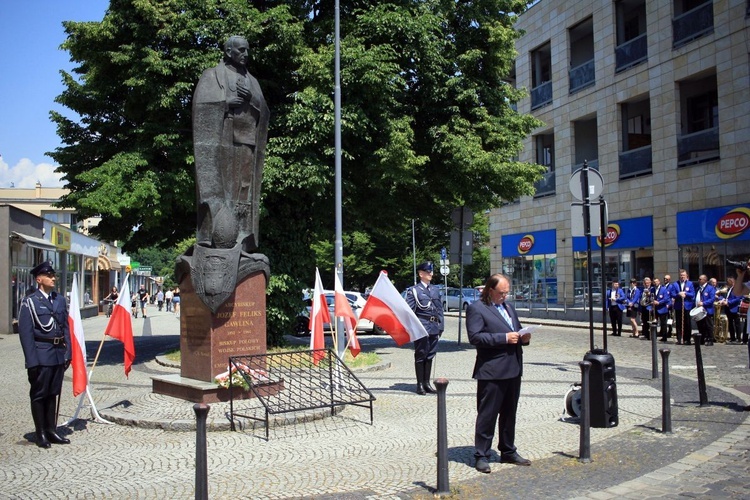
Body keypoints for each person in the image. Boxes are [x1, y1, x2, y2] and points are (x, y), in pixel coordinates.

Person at [192, 35, 270, 254]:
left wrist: (251, 100)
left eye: (247, 50)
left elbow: (264, 111)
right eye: (241, 51)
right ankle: (214, 235)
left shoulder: (252, 81)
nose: (246, 55)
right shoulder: (212, 75)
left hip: (246, 143)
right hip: (221, 142)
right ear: (228, 52)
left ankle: (242, 236)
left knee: (243, 190)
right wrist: (225, 104)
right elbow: (200, 108)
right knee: (221, 188)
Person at [466, 273, 531, 473]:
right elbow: (475, 337)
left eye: (507, 293)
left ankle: (508, 450)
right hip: (492, 371)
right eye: (501, 293)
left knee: (509, 413)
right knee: (487, 415)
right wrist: (503, 338)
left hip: (513, 368)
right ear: (490, 290)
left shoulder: (508, 307)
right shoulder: (477, 308)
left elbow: (516, 331)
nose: (505, 296)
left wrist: (524, 337)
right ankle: (482, 455)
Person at [18, 261, 71, 448]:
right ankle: (40, 432)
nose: (53, 278)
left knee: (52, 393)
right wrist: (32, 362)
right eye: (49, 276)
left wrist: (68, 353)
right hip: (41, 354)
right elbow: (26, 334)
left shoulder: (60, 300)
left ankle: (51, 430)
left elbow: (65, 327)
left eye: (54, 275)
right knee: (39, 394)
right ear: (39, 279)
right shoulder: (30, 302)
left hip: (57, 354)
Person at [404, 262, 444, 395]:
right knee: (421, 355)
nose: (431, 274)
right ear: (421, 274)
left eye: (431, 272)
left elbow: (439, 309)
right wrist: (413, 327)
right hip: (421, 326)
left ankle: (427, 383)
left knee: (430, 354)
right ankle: (419, 384)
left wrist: (441, 326)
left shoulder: (435, 289)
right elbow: (409, 311)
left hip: (433, 326)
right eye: (428, 272)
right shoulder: (414, 290)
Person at [671, 269, 695, 345]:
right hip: (678, 306)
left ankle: (687, 339)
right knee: (678, 323)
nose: (682, 277)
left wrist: (685, 293)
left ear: (686, 276)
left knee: (687, 323)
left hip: (687, 306)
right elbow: (672, 294)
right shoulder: (675, 284)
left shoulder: (690, 284)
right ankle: (679, 339)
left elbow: (692, 294)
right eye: (681, 275)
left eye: (683, 275)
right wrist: (679, 294)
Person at [720, 277, 742, 343]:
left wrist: (728, 302)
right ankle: (733, 338)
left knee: (737, 324)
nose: (727, 284)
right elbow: (727, 297)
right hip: (728, 308)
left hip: (734, 308)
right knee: (730, 324)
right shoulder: (730, 289)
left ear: (732, 282)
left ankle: (738, 338)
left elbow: (737, 299)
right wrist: (723, 299)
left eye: (728, 282)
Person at [695, 274, 716, 346]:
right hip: (699, 311)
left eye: (700, 279)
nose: (698, 280)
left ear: (704, 280)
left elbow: (712, 299)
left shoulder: (710, 288)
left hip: (707, 310)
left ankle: (710, 339)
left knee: (708, 325)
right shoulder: (698, 288)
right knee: (701, 325)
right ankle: (702, 339)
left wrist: (703, 303)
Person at [653, 277, 671, 342]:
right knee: (654, 323)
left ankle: (664, 337)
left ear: (659, 282)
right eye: (654, 282)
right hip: (655, 309)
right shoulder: (653, 289)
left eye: (656, 282)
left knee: (663, 324)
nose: (655, 283)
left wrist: (659, 302)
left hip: (662, 309)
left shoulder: (664, 289)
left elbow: (666, 299)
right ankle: (654, 336)